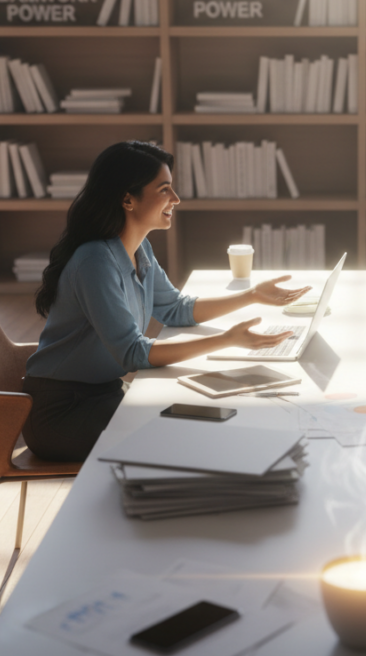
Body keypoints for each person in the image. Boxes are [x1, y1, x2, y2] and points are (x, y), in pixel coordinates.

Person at [23, 141, 310, 462]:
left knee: (212, 419)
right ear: (127, 199)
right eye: (164, 190)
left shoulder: (138, 249)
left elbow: (176, 309)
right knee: (193, 434)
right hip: (62, 413)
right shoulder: (95, 262)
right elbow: (133, 354)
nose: (176, 199)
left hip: (103, 395)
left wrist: (252, 295)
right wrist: (227, 340)